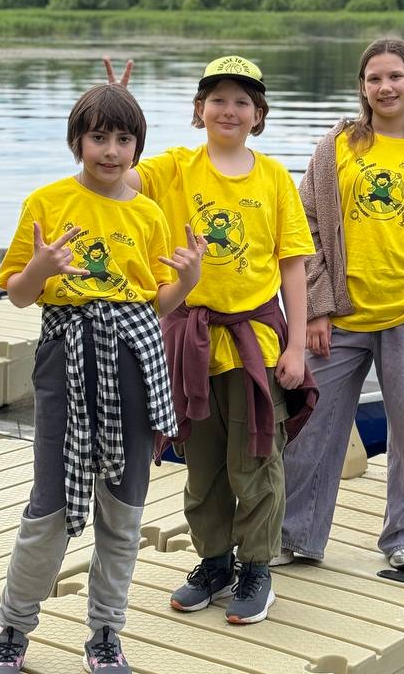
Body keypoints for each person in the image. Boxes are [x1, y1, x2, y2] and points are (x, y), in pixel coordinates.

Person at [0, 84, 206, 674]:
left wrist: (187, 280)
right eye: (98, 137)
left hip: (134, 355)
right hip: (67, 355)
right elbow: (20, 294)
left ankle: (105, 634)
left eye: (123, 138)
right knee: (50, 501)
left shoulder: (150, 213)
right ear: (77, 140)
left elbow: (158, 303)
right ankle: (12, 632)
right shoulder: (47, 202)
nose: (110, 150)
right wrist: (41, 269)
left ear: (138, 146)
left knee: (125, 505)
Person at [109, 54, 317, 626]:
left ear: (259, 114)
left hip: (255, 339)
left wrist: (296, 346)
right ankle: (215, 561)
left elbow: (294, 266)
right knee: (202, 465)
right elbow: (113, 177)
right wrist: (118, 109)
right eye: (218, 99)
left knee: (256, 458)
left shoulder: (274, 178)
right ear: (199, 110)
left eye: (242, 101)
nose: (230, 110)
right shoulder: (174, 168)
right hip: (191, 341)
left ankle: (256, 567)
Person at [280, 37, 404, 570]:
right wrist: (318, 306)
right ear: (362, 88)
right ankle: (296, 534)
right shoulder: (338, 148)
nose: (385, 87)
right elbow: (307, 228)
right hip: (343, 316)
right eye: (374, 78)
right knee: (311, 428)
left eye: (395, 76)